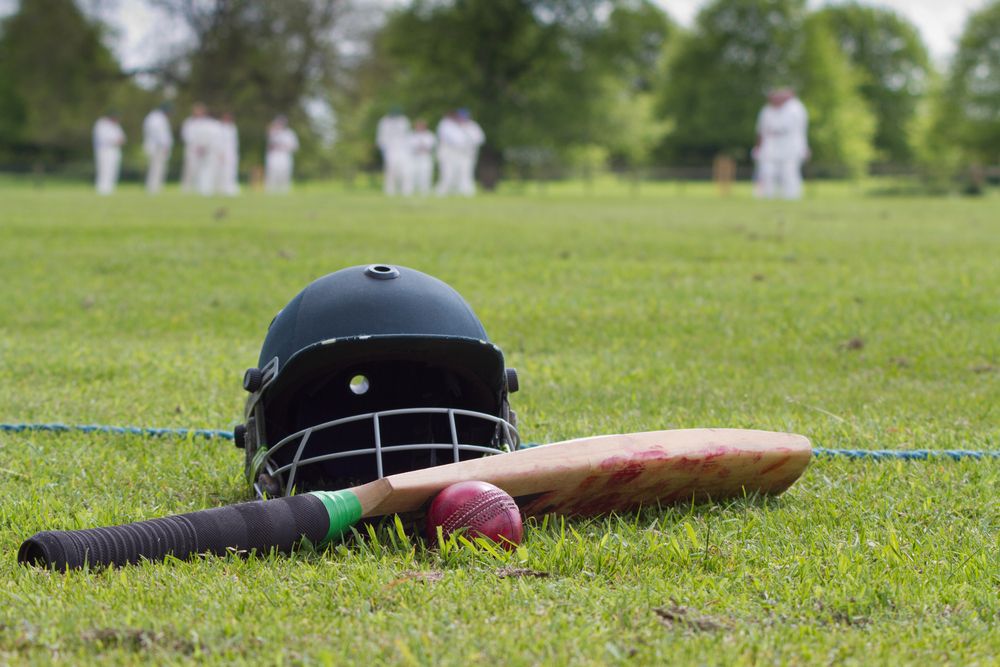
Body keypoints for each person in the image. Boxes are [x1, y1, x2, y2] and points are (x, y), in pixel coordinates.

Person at [753, 87, 809, 200]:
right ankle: (766, 195)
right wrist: (758, 147)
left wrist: (804, 147)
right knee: (767, 171)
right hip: (770, 146)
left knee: (789, 172)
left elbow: (800, 130)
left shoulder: (795, 108)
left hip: (790, 146)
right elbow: (761, 131)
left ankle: (792, 196)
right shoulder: (766, 110)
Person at [436, 108, 485, 196]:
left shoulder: (473, 126)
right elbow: (454, 140)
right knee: (449, 173)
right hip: (451, 154)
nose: (462, 119)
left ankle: (467, 192)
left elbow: (480, 139)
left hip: (467, 154)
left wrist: (469, 143)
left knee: (466, 173)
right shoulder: (449, 125)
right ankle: (443, 192)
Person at [181, 103, 218, 195]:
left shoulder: (209, 123)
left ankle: (203, 188)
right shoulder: (189, 122)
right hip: (192, 150)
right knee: (190, 170)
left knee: (205, 170)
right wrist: (195, 146)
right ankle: (187, 189)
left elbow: (212, 136)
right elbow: (187, 136)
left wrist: (205, 146)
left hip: (206, 150)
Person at [376, 107, 411, 196]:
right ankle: (390, 191)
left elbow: (407, 136)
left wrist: (409, 149)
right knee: (391, 170)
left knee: (405, 170)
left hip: (403, 149)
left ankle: (406, 190)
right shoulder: (384, 122)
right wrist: (383, 149)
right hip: (390, 149)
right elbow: (380, 137)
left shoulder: (404, 120)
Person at [142, 103, 173, 194]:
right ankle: (153, 188)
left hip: (158, 146)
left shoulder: (156, 118)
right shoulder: (156, 118)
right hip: (157, 147)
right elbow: (159, 134)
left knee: (158, 168)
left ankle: (156, 187)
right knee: (156, 168)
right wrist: (164, 145)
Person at [92, 111, 125, 195]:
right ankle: (102, 189)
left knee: (113, 170)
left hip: (114, 150)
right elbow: (102, 138)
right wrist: (114, 141)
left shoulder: (116, 125)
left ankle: (110, 188)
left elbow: (122, 138)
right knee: (104, 170)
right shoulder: (101, 124)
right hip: (104, 150)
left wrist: (118, 141)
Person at [265, 115, 299, 193]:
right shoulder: (272, 132)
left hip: (285, 157)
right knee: (272, 174)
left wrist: (284, 146)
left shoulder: (290, 133)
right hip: (274, 157)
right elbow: (269, 145)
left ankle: (284, 191)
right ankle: (271, 191)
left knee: (284, 174)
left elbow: (295, 147)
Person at [406, 118, 436, 196]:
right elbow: (410, 146)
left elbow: (430, 146)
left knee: (425, 174)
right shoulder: (411, 135)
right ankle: (410, 191)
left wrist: (422, 147)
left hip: (425, 157)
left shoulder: (429, 135)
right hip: (414, 157)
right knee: (412, 174)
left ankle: (425, 191)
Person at [215, 111, 240, 196]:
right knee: (221, 170)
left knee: (231, 170)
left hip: (231, 152)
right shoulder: (218, 127)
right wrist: (220, 153)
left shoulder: (232, 127)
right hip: (221, 152)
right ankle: (220, 188)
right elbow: (218, 142)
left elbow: (234, 142)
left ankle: (230, 187)